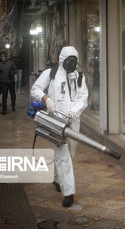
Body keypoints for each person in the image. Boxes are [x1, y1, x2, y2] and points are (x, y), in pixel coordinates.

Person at [31, 46, 88, 207]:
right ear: (62, 60)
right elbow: (35, 88)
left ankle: (57, 178)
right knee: (63, 156)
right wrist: (46, 99)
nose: (72, 63)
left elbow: (83, 98)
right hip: (55, 121)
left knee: (70, 152)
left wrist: (74, 112)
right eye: (69, 60)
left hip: (73, 121)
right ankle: (69, 192)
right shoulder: (50, 74)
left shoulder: (79, 77)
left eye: (74, 61)